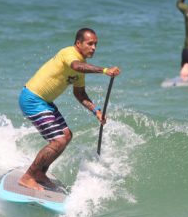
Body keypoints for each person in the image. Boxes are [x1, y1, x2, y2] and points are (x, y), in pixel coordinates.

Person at [18, 28, 121, 190]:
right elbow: (76, 66)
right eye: (90, 43)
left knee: (66, 135)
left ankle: (40, 173)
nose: (94, 47)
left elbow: (79, 93)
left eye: (96, 44)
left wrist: (96, 111)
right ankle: (28, 176)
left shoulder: (82, 66)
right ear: (78, 43)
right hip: (32, 99)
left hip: (45, 102)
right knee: (58, 140)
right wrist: (104, 70)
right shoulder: (69, 54)